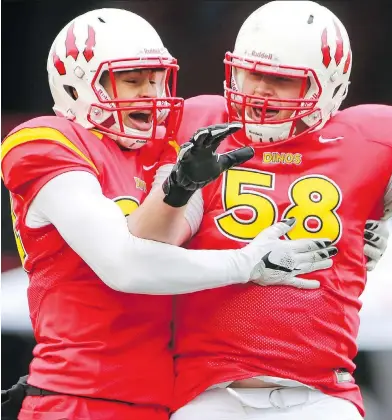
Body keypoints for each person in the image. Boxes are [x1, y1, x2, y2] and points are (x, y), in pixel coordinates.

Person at [127, 1, 392, 419]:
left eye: (279, 79)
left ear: (327, 85)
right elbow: (142, 250)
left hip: (319, 395)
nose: (259, 90)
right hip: (210, 394)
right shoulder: (204, 135)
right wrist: (178, 185)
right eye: (252, 73)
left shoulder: (367, 144)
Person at [0, 8, 341, 420]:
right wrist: (247, 263)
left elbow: (231, 213)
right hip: (79, 398)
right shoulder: (47, 143)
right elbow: (123, 266)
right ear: (75, 86)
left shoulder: (163, 153)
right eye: (132, 80)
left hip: (165, 402)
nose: (150, 92)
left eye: (156, 78)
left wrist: (359, 226)